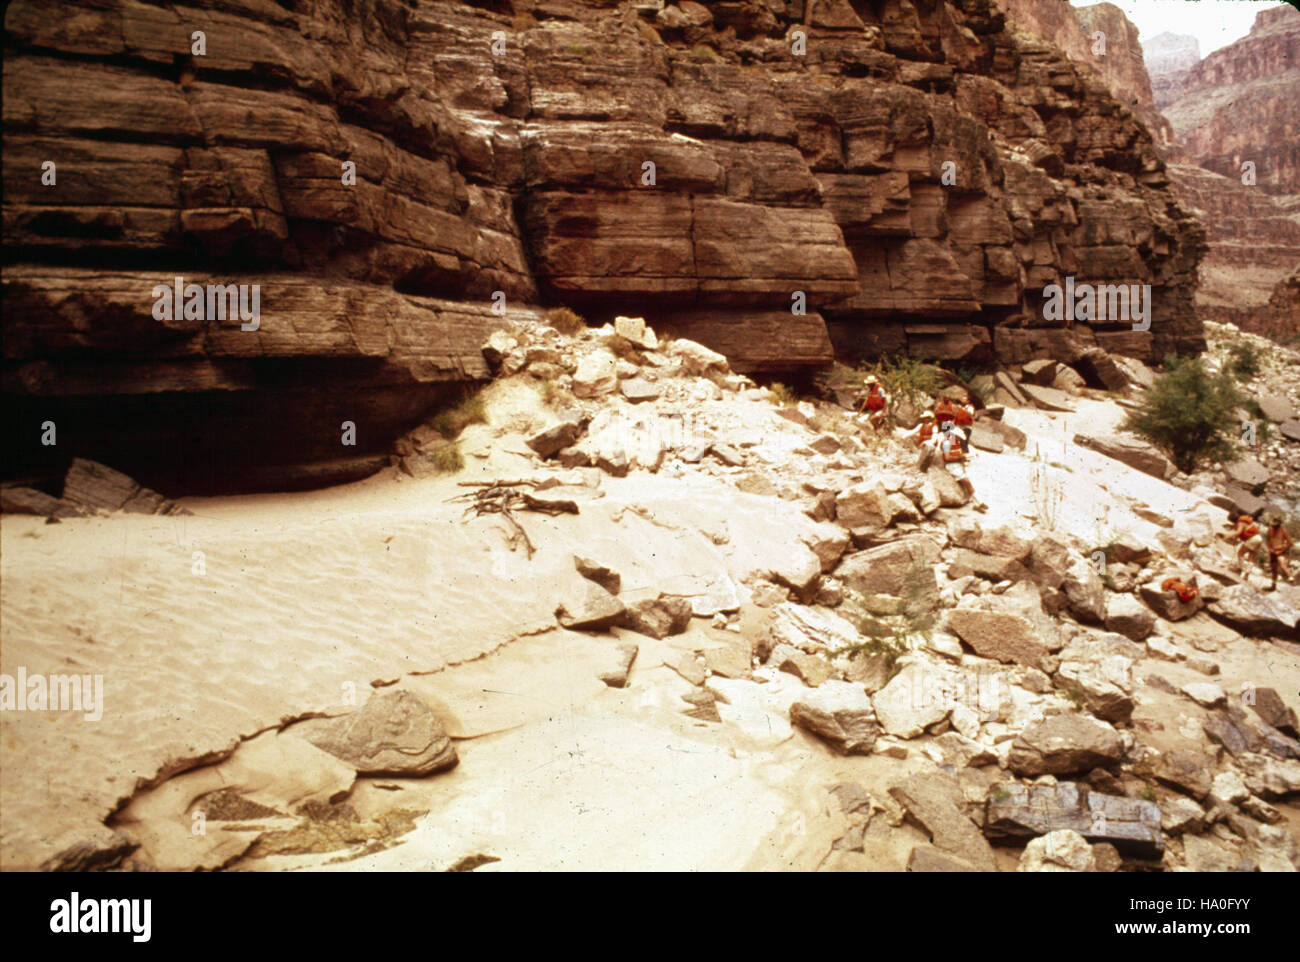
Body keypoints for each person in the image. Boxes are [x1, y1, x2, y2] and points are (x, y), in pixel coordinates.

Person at [938, 421, 987, 512]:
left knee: (969, 483)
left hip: (958, 465)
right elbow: (947, 458)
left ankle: (977, 503)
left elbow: (959, 453)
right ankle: (979, 503)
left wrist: (966, 457)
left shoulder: (955, 442)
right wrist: (960, 457)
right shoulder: (946, 443)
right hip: (952, 466)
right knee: (968, 483)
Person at [1266, 516, 1293, 590]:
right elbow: (1268, 540)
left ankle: (1290, 577)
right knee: (1274, 569)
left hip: (1280, 550)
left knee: (1282, 564)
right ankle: (1273, 585)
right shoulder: (1270, 529)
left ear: (1279, 523)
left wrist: (1281, 550)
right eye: (1274, 521)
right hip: (1272, 550)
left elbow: (1290, 543)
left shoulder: (1284, 531)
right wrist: (1270, 549)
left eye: (1276, 522)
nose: (1274, 523)